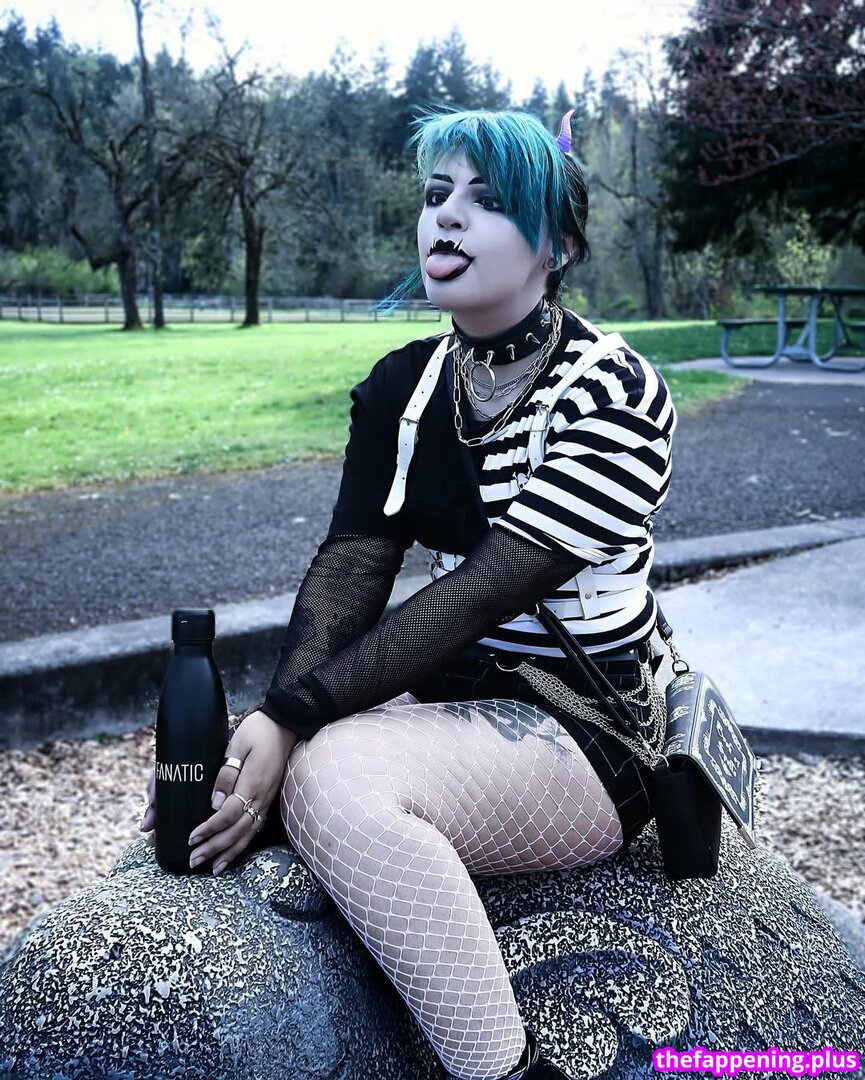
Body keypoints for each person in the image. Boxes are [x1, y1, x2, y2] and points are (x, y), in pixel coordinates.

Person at [141, 108, 676, 1080]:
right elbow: (353, 566)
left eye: (487, 201)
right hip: (450, 700)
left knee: (333, 778)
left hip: (589, 721)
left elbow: (483, 591)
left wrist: (295, 715)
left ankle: (505, 1070)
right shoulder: (406, 385)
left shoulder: (613, 392)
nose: (447, 217)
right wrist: (277, 725)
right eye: (436, 195)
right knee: (265, 763)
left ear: (556, 246)